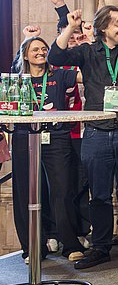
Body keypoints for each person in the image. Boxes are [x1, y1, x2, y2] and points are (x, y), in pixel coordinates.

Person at [48, 4, 118, 269]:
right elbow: (56, 56)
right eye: (117, 22)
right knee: (98, 194)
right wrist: (71, 27)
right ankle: (100, 246)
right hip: (97, 131)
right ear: (103, 27)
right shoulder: (88, 51)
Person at [9, 37, 81, 262]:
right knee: (25, 194)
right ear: (25, 55)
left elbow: (87, 75)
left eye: (44, 48)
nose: (40, 52)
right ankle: (33, 247)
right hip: (24, 138)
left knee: (62, 191)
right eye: (35, 49)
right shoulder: (17, 80)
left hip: (56, 138)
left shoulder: (60, 74)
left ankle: (69, 244)